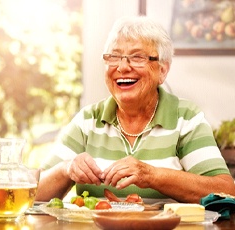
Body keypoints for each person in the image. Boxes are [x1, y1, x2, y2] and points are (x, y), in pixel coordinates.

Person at [36, 16, 235, 203]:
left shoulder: (186, 119)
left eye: (137, 57)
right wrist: (65, 169)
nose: (122, 67)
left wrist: (152, 176)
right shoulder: (88, 120)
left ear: (162, 70)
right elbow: (32, 192)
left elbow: (225, 191)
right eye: (114, 56)